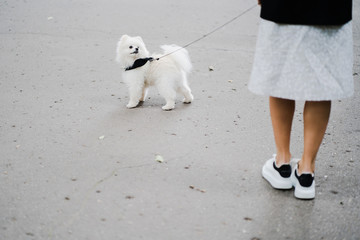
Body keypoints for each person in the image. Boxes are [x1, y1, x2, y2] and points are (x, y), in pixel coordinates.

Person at [249, 0, 354, 199]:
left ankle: (282, 163)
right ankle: (306, 170)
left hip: (283, 7)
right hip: (330, 8)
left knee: (280, 75)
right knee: (321, 84)